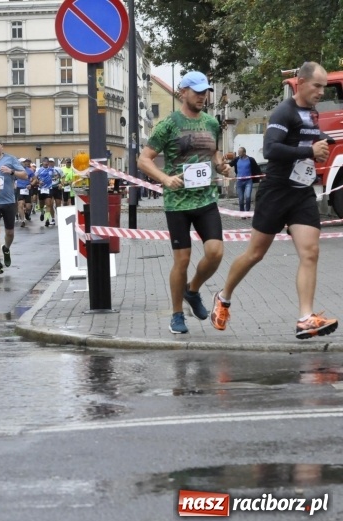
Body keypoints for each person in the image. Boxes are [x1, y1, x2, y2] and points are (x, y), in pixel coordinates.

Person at [211, 61, 338, 339]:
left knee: (310, 252)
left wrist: (327, 140)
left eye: (324, 87)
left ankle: (305, 318)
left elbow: (311, 135)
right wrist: (308, 151)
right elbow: (270, 149)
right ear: (301, 83)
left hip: (301, 192)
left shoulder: (311, 112)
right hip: (276, 191)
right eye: (317, 86)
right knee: (255, 254)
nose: (321, 92)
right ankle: (223, 296)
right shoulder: (284, 111)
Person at [137, 71, 231, 334]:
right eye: (197, 92)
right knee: (182, 260)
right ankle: (177, 314)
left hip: (206, 199)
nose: (202, 97)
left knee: (215, 252)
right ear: (183, 93)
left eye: (205, 92)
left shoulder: (211, 123)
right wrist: (165, 179)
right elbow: (143, 160)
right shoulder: (168, 125)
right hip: (178, 203)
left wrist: (220, 165)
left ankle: (193, 290)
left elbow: (214, 151)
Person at [0, 137, 25, 273]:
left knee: (10, 232)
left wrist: (11, 171)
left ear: (2, 146)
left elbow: (24, 175)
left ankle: (6, 248)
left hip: (8, 201)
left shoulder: (11, 159)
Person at [229, 147, 262, 212]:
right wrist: (223, 163)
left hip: (248, 182)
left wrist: (260, 177)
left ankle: (247, 211)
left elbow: (257, 168)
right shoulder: (237, 159)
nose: (239, 154)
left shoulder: (251, 160)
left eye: (240, 152)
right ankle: (242, 212)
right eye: (238, 152)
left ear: (244, 152)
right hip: (239, 182)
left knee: (248, 197)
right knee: (241, 199)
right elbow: (230, 164)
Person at [16, 158, 33, 227]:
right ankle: (23, 220)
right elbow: (12, 179)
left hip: (27, 189)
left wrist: (31, 184)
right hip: (19, 188)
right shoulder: (16, 170)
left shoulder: (29, 170)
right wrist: (13, 184)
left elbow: (35, 179)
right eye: (23, 162)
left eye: (25, 162)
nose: (25, 163)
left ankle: (25, 212)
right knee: (20, 204)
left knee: (28, 207)